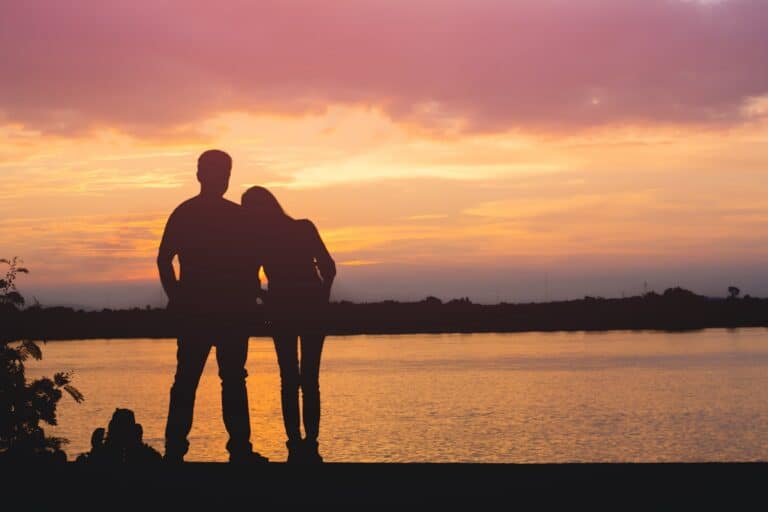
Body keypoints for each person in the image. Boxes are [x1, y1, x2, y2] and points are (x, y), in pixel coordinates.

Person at [157, 150, 266, 463]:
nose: (224, 178)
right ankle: (181, 450)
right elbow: (164, 259)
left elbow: (252, 261)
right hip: (203, 311)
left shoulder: (197, 213)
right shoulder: (189, 213)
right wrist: (177, 297)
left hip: (224, 311)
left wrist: (177, 297)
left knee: (215, 379)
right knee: (199, 380)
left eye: (225, 172)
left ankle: (225, 450)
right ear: (202, 175)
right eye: (221, 172)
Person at [241, 186, 336, 463]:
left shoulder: (270, 237)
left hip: (289, 310)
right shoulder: (297, 230)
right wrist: (321, 297)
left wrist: (265, 297)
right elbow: (329, 268)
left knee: (296, 379)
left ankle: (301, 444)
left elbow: (328, 267)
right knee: (304, 379)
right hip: (298, 310)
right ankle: (303, 444)